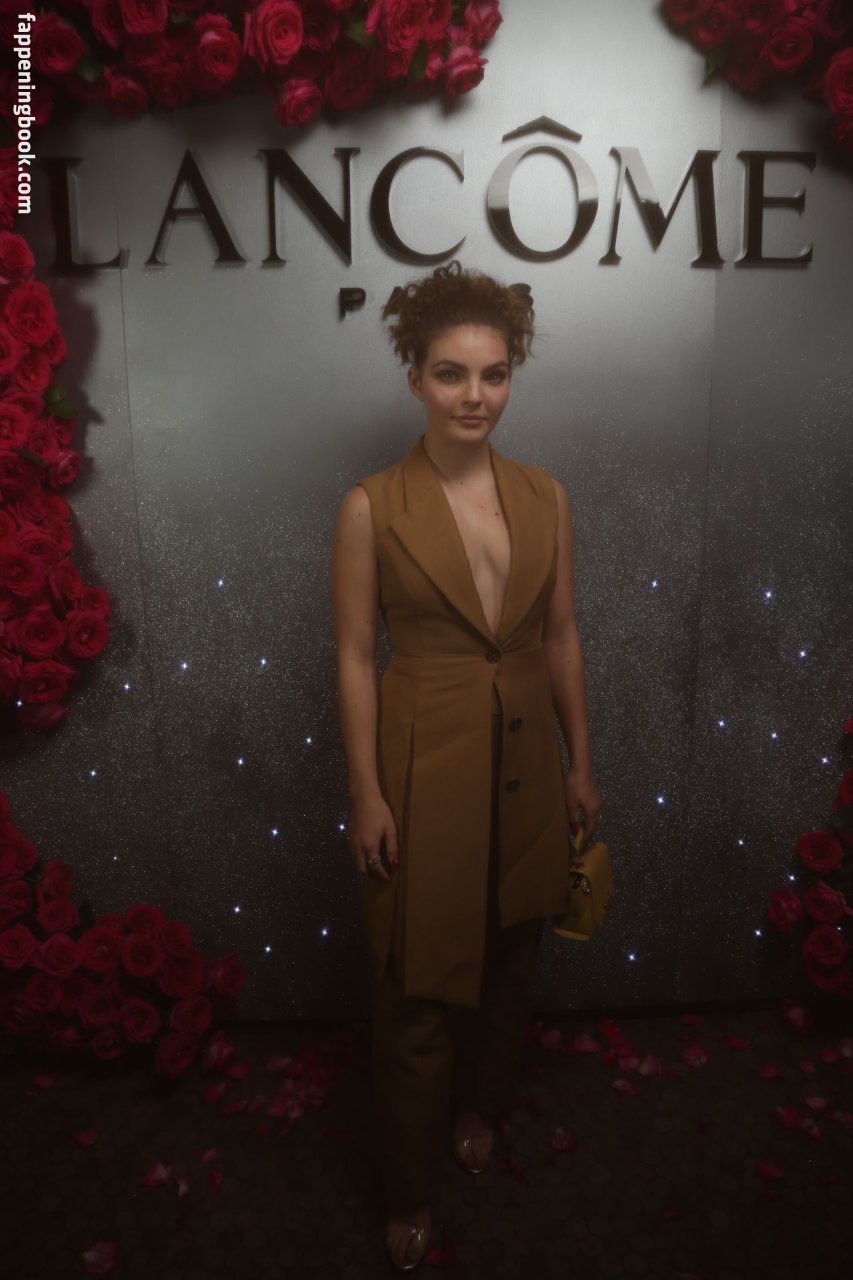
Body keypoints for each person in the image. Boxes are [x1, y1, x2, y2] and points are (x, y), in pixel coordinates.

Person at [331, 260, 602, 1271]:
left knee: (510, 961)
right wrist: (366, 791)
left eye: (493, 374)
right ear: (415, 377)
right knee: (417, 988)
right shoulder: (371, 506)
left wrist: (582, 763)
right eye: (451, 374)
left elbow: (561, 634)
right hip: (423, 763)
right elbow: (354, 656)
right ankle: (408, 1188)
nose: (474, 395)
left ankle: (480, 1107)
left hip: (529, 760)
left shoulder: (545, 496)